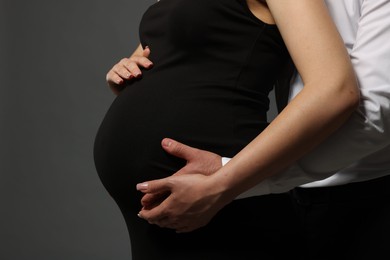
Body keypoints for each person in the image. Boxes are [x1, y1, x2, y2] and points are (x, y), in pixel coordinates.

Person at [94, 0, 359, 259]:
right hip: (153, 215)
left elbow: (335, 89)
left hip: (220, 199)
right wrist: (125, 73)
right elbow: (171, 57)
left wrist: (219, 188)